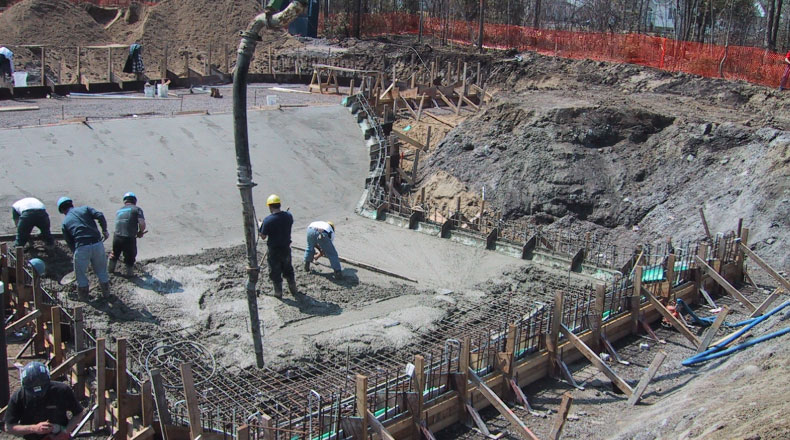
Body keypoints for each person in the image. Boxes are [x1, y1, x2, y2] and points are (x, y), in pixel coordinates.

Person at [5, 362, 85, 440]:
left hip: (59, 435)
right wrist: (34, 428)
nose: (39, 396)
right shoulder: (19, 397)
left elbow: (78, 413)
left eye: (42, 392)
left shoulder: (62, 391)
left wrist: (65, 432)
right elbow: (9, 427)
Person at [57, 197, 110, 299]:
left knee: (80, 275)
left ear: (62, 210)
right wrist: (104, 230)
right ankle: (107, 294)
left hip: (81, 247)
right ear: (72, 204)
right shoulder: (85, 209)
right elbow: (100, 215)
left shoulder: (65, 222)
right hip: (97, 244)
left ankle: (84, 299)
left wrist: (78, 255)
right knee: (102, 271)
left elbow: (70, 243)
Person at [257, 194, 297, 298]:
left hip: (274, 251)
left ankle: (278, 293)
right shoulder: (288, 216)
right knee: (288, 270)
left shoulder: (268, 220)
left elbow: (263, 236)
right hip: (286, 249)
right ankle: (293, 290)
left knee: (275, 272)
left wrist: (260, 226)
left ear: (270, 206)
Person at [108, 192, 146, 277]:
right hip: (128, 238)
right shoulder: (137, 209)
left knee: (114, 254)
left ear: (125, 201)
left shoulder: (119, 210)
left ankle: (110, 271)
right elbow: (142, 223)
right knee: (130, 257)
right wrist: (140, 232)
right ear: (135, 201)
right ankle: (130, 275)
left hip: (116, 237)